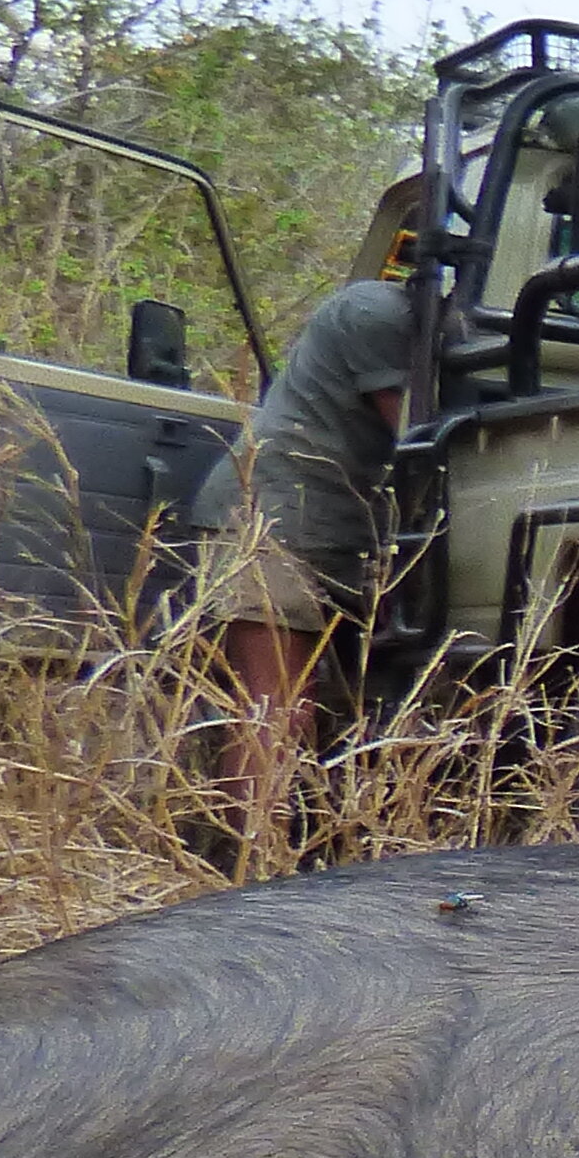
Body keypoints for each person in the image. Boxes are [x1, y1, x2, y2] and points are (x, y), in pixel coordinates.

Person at [197, 175, 426, 827]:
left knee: (319, 708)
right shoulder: (376, 313)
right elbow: (418, 436)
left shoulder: (409, 328)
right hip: (274, 517)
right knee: (278, 707)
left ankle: (288, 858)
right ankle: (247, 877)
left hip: (333, 530)